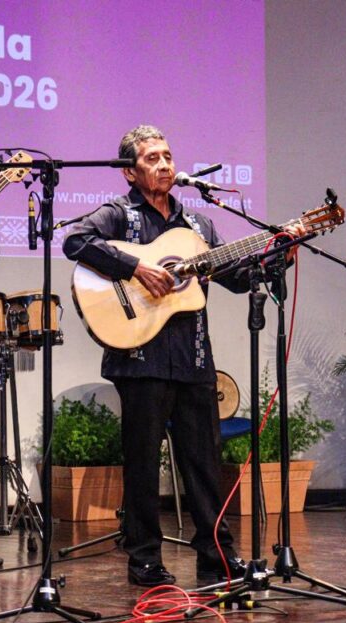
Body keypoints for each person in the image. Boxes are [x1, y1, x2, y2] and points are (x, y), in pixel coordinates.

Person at [63, 125, 302, 587]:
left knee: (204, 462)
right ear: (130, 173)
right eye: (152, 158)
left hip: (193, 358)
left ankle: (218, 555)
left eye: (168, 156)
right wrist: (135, 267)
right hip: (139, 356)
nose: (165, 165)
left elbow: (233, 277)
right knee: (142, 462)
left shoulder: (198, 226)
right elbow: (76, 242)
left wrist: (278, 253)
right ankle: (145, 560)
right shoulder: (118, 214)